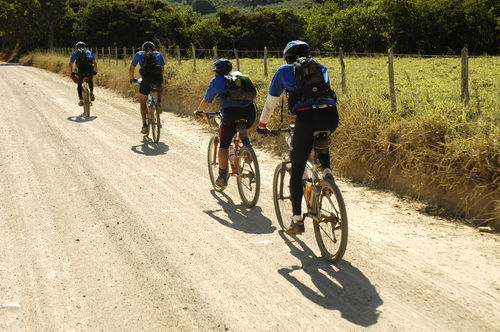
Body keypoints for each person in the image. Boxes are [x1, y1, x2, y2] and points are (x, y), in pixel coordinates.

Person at [257, 40, 339, 235]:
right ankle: (327, 173)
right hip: (331, 116)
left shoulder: (284, 71)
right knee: (320, 137)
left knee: (297, 169)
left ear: (288, 56)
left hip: (306, 118)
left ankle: (296, 221)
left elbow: (271, 103)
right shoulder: (320, 67)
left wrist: (262, 125)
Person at [195, 58, 257, 189]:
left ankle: (222, 177)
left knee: (224, 146)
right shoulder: (240, 77)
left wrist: (199, 111)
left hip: (231, 114)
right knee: (242, 129)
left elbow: (207, 100)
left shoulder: (217, 81)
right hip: (250, 112)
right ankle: (248, 150)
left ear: (216, 71)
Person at [129, 41, 165, 134]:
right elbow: (162, 69)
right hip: (157, 79)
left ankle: (144, 125)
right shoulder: (159, 54)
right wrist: (159, 78)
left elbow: (132, 67)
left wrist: (132, 78)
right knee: (159, 84)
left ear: (142, 48)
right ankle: (159, 102)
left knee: (142, 102)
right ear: (154, 48)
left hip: (145, 79)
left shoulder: (139, 54)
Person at [68, 41, 97, 106]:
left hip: (80, 70)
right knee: (90, 80)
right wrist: (95, 71)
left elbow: (70, 64)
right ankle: (91, 92)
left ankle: (81, 100)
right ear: (85, 47)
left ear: (76, 47)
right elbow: (95, 63)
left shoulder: (75, 53)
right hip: (89, 69)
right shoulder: (89, 52)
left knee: (79, 83)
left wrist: (71, 72)